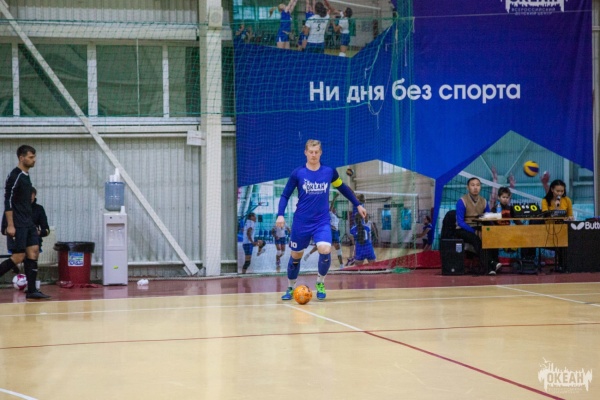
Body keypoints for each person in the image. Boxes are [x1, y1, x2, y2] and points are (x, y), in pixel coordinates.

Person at [276, 139, 366, 300]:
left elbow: (343, 188)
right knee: (296, 255)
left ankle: (320, 283)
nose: (313, 155)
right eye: (311, 152)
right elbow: (285, 195)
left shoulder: (329, 172)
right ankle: (290, 287)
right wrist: (280, 214)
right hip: (301, 221)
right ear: (305, 152)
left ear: (321, 152)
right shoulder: (298, 173)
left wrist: (357, 204)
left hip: (321, 221)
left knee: (325, 249)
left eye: (316, 152)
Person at [0, 145, 50, 300]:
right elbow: (8, 200)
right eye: (31, 157)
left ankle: (32, 290)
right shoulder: (15, 176)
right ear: (21, 158)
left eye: (34, 157)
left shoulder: (26, 176)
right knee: (18, 257)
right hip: (18, 223)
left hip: (28, 223)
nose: (34, 160)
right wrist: (10, 225)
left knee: (33, 251)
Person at [454, 177, 501, 275]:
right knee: (476, 239)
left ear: (480, 187)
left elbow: (488, 218)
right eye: (472, 185)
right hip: (463, 229)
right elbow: (460, 222)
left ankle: (494, 264)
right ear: (467, 187)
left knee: (492, 237)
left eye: (478, 185)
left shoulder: (484, 201)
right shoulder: (462, 201)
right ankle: (490, 266)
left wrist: (493, 229)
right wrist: (475, 231)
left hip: (478, 226)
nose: (475, 187)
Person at [2, 187, 50, 253]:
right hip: (15, 244)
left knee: (31, 257)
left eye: (31, 197)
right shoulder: (11, 209)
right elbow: (3, 230)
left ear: (34, 196)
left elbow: (46, 230)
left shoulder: (39, 209)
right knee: (18, 257)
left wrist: (38, 232)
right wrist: (14, 231)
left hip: (33, 243)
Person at [304, 192, 344, 267]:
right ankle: (309, 254)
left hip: (335, 232)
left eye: (335, 209)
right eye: (333, 208)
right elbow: (332, 205)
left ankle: (341, 265)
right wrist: (335, 197)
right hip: (330, 231)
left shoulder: (337, 217)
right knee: (321, 246)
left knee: (338, 249)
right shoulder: (330, 213)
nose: (334, 209)